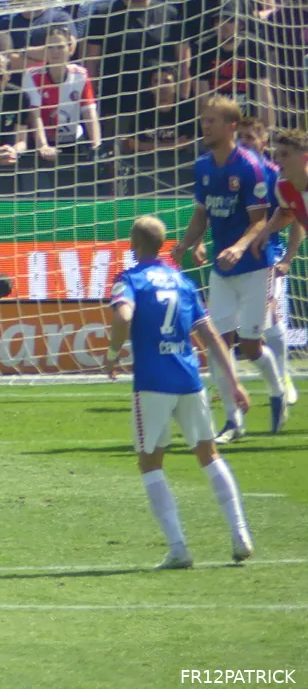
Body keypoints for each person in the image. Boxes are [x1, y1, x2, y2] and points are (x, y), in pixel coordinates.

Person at [106, 213, 254, 568]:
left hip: (153, 384)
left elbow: (123, 317)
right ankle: (240, 533)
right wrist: (233, 383)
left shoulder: (129, 279)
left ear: (134, 245)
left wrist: (112, 355)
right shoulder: (182, 281)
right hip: (189, 380)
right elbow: (211, 336)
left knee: (149, 462)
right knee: (209, 455)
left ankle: (179, 548)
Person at [170, 96, 284, 442]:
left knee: (250, 345)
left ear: (231, 126)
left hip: (253, 267)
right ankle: (233, 422)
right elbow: (201, 215)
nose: (205, 126)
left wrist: (238, 246)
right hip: (221, 269)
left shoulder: (250, 167)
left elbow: (259, 221)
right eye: (204, 120)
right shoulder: (204, 166)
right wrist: (185, 244)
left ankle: (277, 390)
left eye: (212, 121)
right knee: (219, 344)